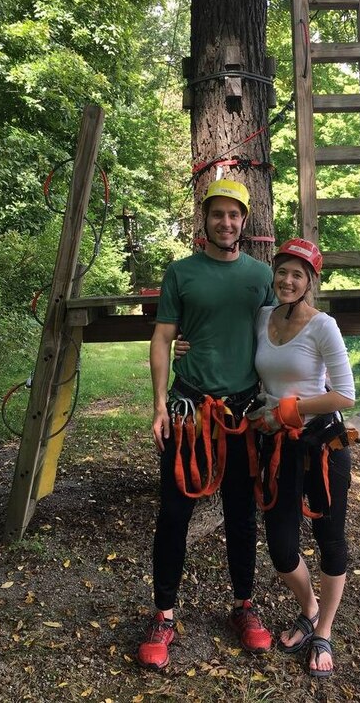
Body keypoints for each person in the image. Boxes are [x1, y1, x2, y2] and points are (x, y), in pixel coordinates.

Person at [137, 178, 275, 671]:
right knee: (174, 514)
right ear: (206, 220)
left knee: (241, 514)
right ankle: (164, 614)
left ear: (244, 221)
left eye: (234, 215)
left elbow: (276, 336)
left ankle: (244, 605)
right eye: (218, 214)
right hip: (189, 409)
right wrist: (157, 405)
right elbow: (162, 337)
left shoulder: (261, 276)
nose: (226, 223)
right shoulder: (181, 273)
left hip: (240, 412)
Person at [247, 238, 355, 678]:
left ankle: (324, 629)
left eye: (299, 274)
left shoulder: (322, 325)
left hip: (321, 446)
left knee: (329, 538)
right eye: (283, 271)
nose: (288, 280)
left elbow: (344, 394)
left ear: (311, 281)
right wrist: (187, 350)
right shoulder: (261, 318)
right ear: (274, 275)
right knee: (282, 548)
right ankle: (309, 608)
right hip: (278, 448)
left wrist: (285, 410)